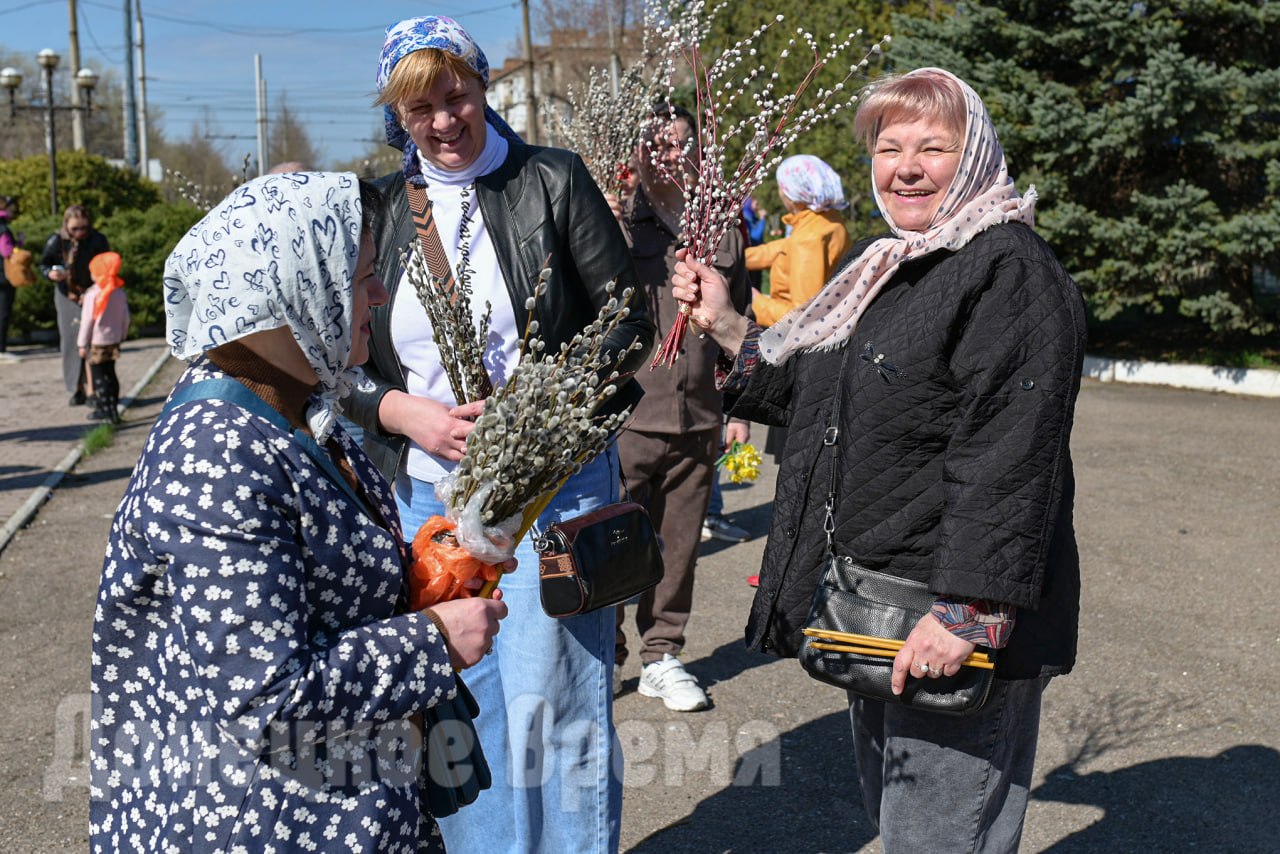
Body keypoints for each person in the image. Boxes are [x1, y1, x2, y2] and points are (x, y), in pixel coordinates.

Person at [670, 68, 1085, 851]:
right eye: (889, 147)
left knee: (938, 838)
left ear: (974, 158)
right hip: (872, 602)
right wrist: (728, 327)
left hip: (946, 614)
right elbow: (823, 395)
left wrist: (965, 612)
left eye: (933, 146)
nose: (906, 166)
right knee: (902, 829)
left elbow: (1010, 457)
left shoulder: (1009, 271)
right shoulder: (889, 264)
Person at [90, 171, 509, 851]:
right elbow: (265, 698)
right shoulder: (219, 454)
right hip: (264, 823)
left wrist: (436, 569)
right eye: (364, 275)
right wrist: (431, 639)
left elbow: (312, 581)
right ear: (293, 289)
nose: (379, 295)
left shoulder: (298, 402)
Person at [346, 16, 654, 853]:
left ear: (482, 87)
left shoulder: (551, 181)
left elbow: (627, 325)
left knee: (556, 697)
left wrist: (532, 412)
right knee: (460, 698)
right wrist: (397, 410)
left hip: (553, 494)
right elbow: (340, 362)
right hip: (426, 501)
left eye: (458, 97)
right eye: (421, 110)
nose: (445, 122)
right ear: (397, 118)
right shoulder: (377, 208)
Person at [612, 104, 749, 711]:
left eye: (682, 145)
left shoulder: (721, 227)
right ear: (638, 154)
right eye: (659, 146)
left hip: (700, 415)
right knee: (613, 545)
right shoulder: (618, 225)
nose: (672, 156)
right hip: (629, 420)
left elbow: (739, 315)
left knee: (681, 545)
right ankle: (603, 655)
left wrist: (739, 402)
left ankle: (662, 654)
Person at [747, 154, 853, 327]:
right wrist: (736, 258)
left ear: (792, 193)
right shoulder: (830, 222)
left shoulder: (807, 239)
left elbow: (802, 317)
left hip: (798, 345)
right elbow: (780, 248)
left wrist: (757, 302)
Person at [40, 204, 109, 405]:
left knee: (91, 342)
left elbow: (107, 265)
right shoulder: (56, 241)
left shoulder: (97, 239)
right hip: (65, 294)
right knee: (71, 342)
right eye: (75, 229)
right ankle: (75, 387)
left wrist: (95, 290)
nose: (80, 233)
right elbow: (43, 264)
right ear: (66, 226)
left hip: (93, 292)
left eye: (83, 228)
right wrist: (50, 274)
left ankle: (93, 390)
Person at [77, 251, 130, 422]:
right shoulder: (118, 292)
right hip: (113, 340)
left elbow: (87, 322)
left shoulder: (92, 295)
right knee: (111, 374)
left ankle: (104, 409)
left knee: (99, 377)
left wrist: (81, 344)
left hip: (96, 342)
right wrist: (122, 334)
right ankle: (113, 409)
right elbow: (125, 317)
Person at [0, 196, 17, 362]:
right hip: (3, 276)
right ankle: (1, 350)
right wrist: (18, 245)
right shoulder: (3, 228)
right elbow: (6, 252)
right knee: (3, 313)